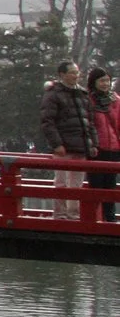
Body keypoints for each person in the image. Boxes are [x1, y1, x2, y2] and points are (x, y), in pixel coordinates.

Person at [40, 60, 97, 218]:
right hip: (63, 146)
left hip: (81, 145)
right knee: (61, 183)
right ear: (62, 74)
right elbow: (47, 121)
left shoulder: (83, 94)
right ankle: (60, 215)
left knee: (76, 185)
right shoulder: (54, 94)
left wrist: (92, 143)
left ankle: (74, 215)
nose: (76, 76)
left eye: (77, 72)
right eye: (72, 72)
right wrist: (56, 144)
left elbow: (90, 122)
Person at [94, 67, 120, 222]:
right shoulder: (89, 100)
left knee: (110, 184)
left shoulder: (115, 100)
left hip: (114, 147)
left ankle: (109, 218)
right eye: (101, 80)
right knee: (97, 185)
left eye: (107, 81)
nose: (105, 84)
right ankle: (96, 218)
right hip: (97, 148)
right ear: (94, 82)